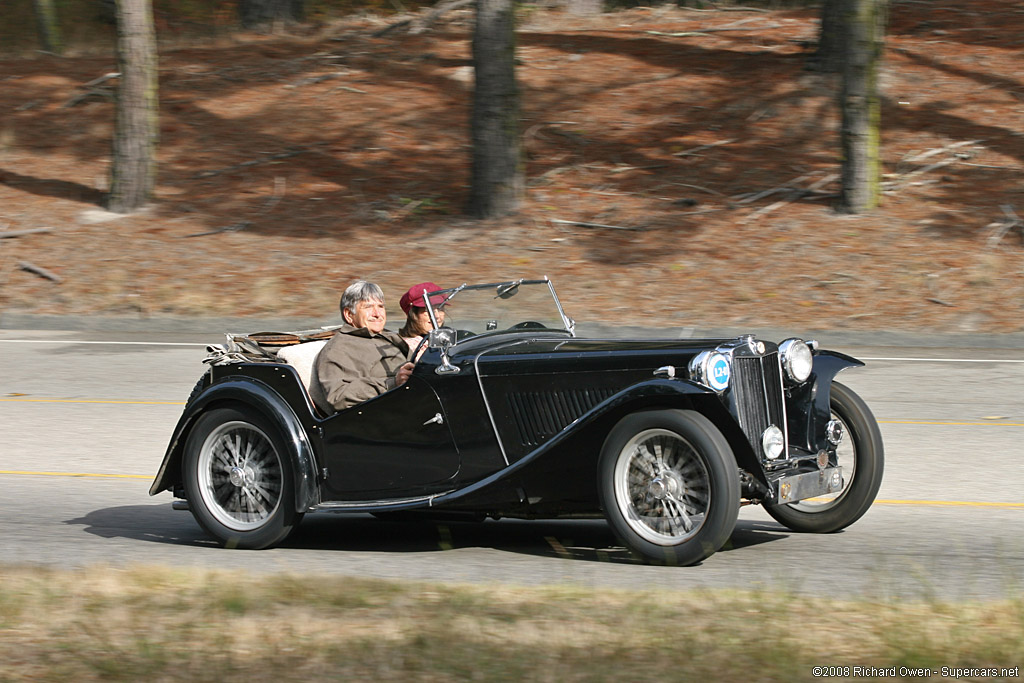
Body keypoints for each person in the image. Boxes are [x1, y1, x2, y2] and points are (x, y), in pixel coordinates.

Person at [312, 281, 415, 414]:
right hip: (383, 415)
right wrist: (392, 383)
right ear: (349, 315)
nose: (378, 314)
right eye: (368, 307)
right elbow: (338, 397)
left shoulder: (388, 336)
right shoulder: (338, 349)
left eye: (381, 306)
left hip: (415, 400)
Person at [398, 282, 447, 360]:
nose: (437, 316)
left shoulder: (446, 340)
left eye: (440, 308)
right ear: (413, 315)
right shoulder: (407, 347)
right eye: (428, 310)